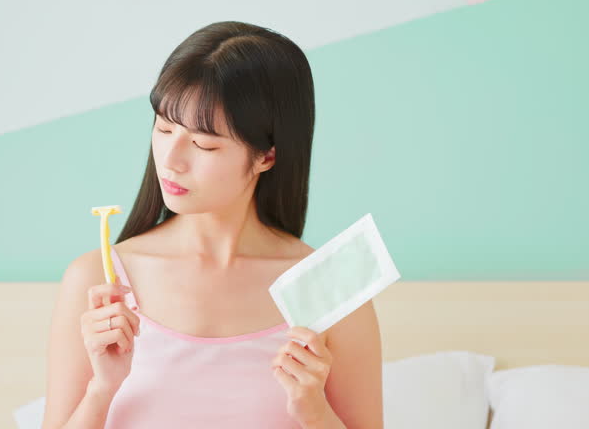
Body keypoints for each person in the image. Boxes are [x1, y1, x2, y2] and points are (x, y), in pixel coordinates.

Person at [43, 21, 383, 428]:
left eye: (203, 144)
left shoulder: (328, 289)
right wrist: (103, 388)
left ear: (266, 157)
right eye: (164, 127)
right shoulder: (98, 280)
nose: (170, 159)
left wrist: (314, 411)